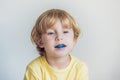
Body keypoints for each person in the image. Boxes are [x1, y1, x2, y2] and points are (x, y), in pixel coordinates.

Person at [24, 9, 88, 80]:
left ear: (74, 39)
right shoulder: (34, 69)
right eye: (51, 33)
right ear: (40, 42)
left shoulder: (80, 68)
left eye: (65, 32)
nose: (59, 37)